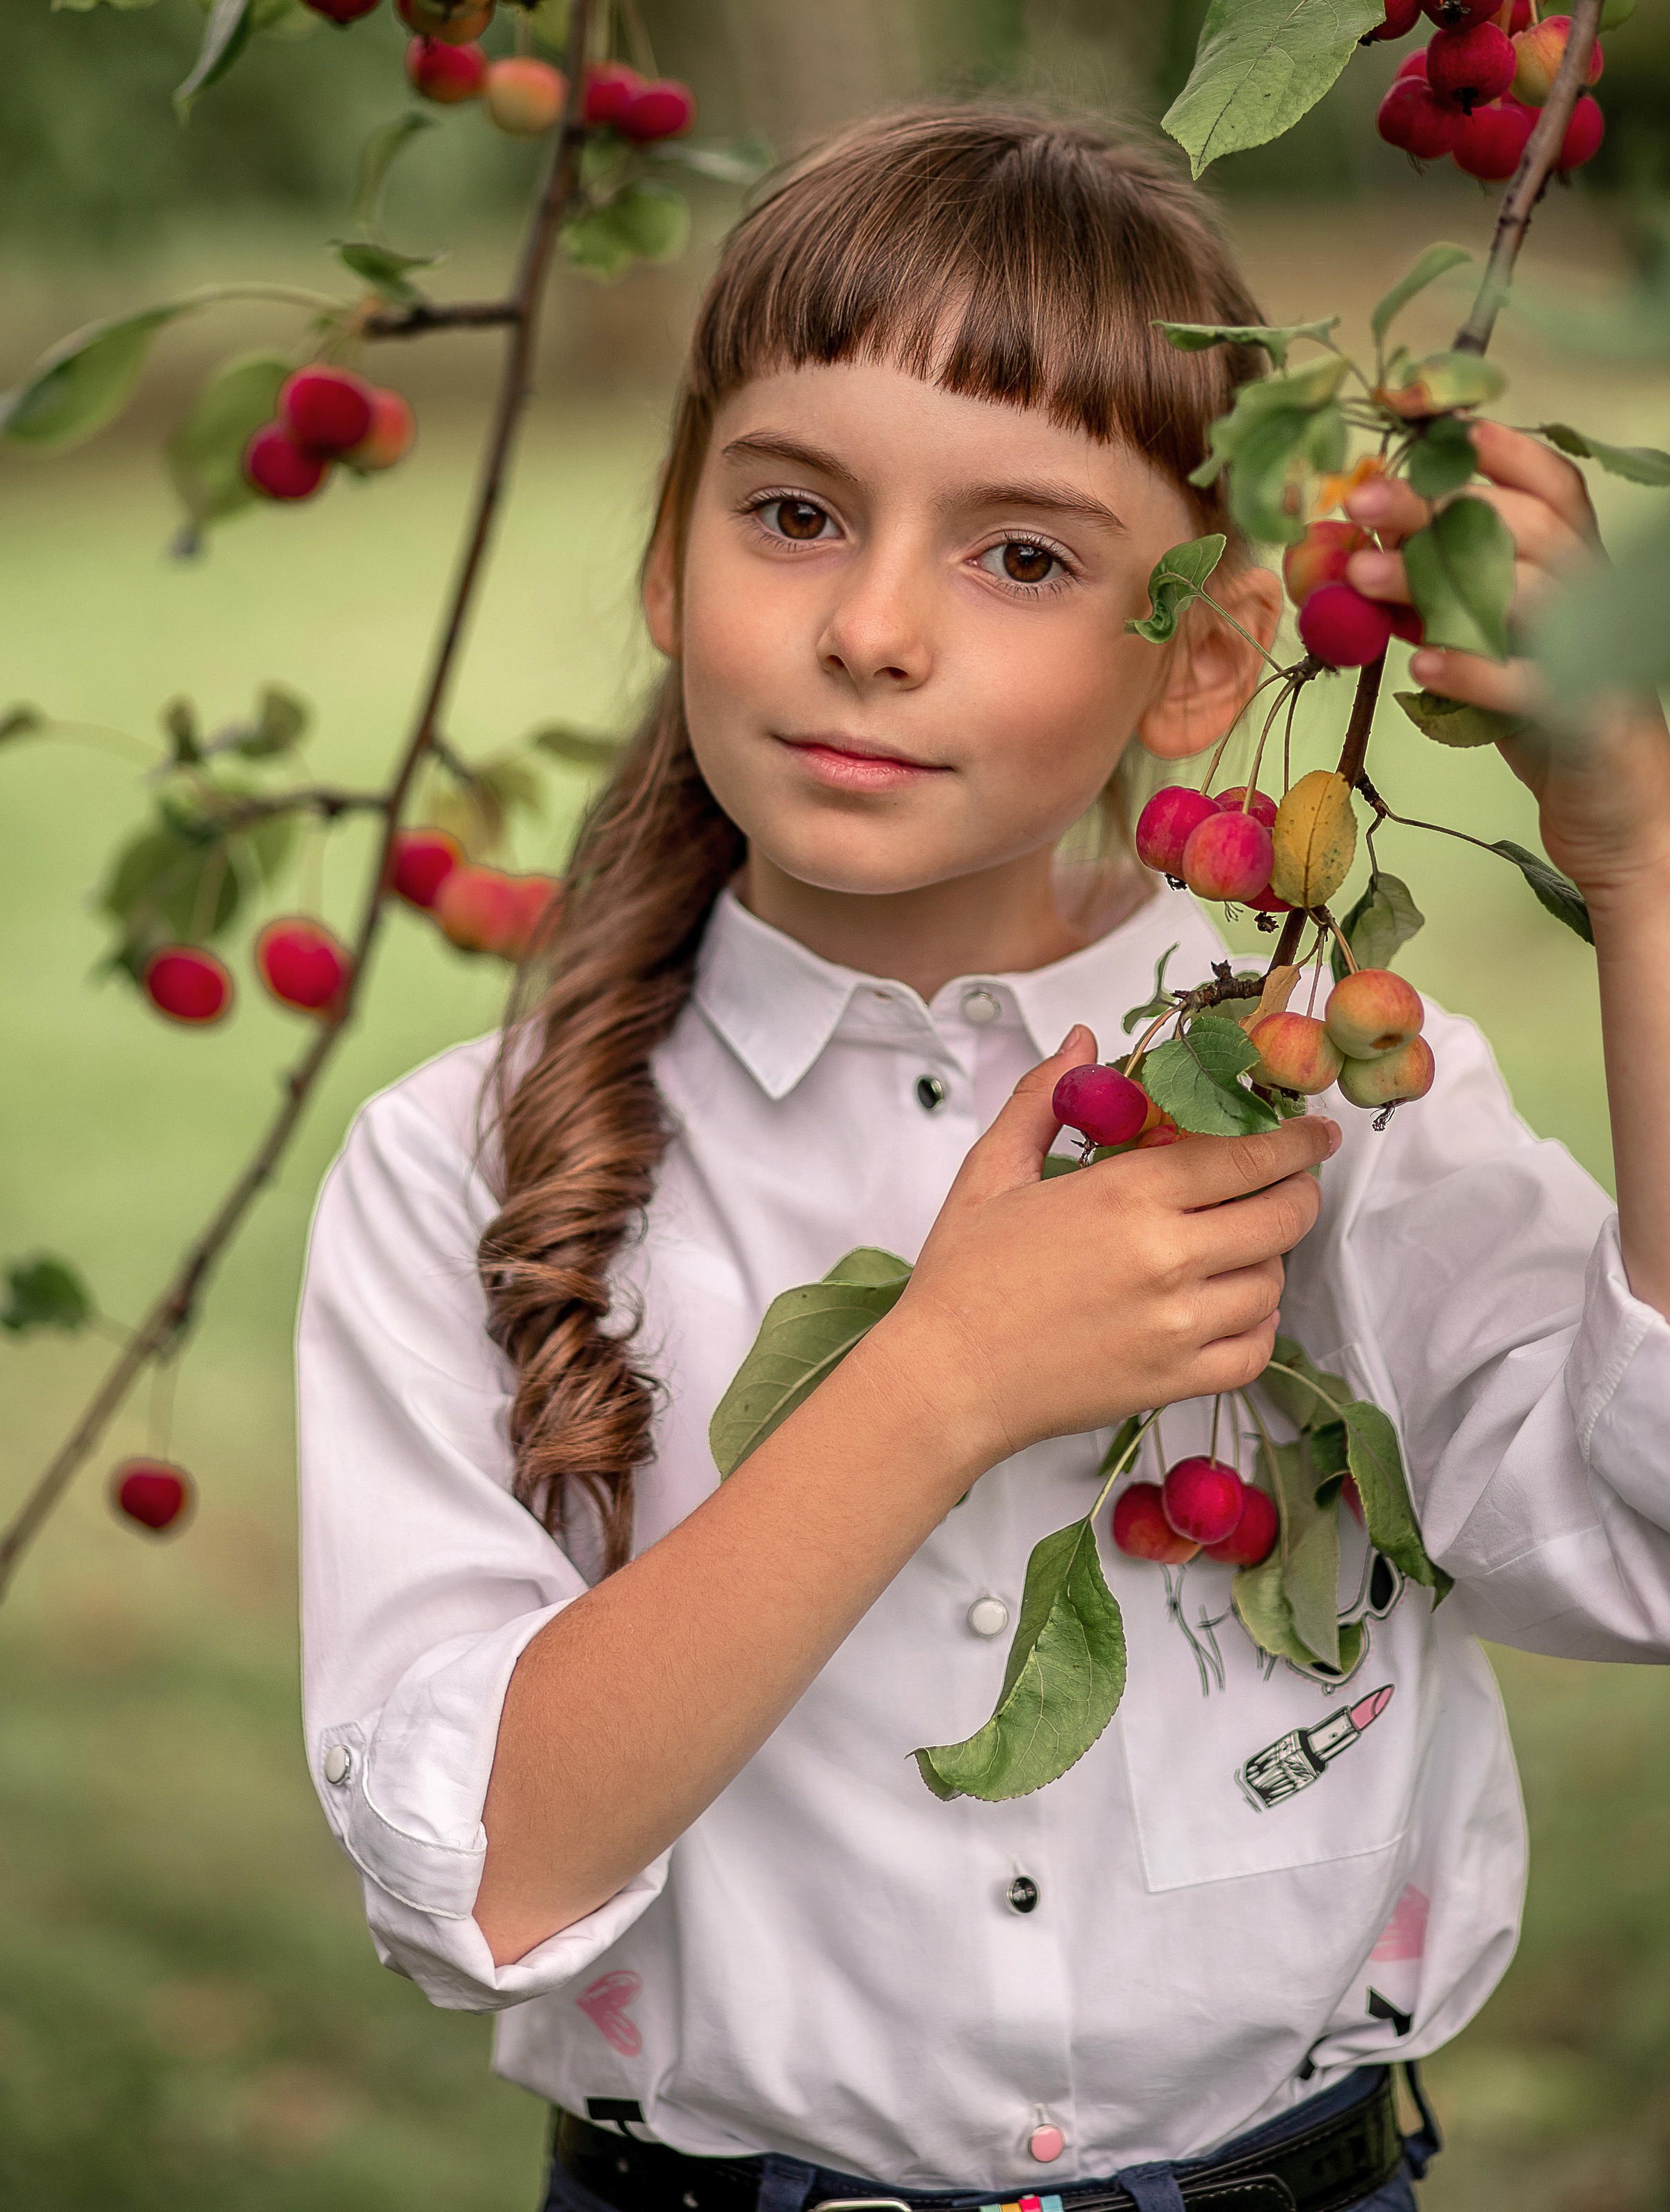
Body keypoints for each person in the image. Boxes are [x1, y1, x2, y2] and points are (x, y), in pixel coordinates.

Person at [296, 107, 1670, 2212]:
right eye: (792, 513)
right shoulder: (453, 1174)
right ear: (669, 549)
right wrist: (939, 1387)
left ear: (1205, 653)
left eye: (1021, 555)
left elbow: (1646, 1542)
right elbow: (481, 1873)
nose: (870, 629)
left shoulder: (1329, 1109)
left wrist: (1646, 866)